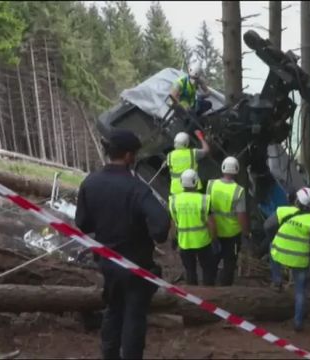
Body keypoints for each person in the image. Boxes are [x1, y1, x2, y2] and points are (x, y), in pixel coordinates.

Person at [75, 129, 170, 360]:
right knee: (134, 316)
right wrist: (155, 236)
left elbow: (82, 224)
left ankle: (109, 355)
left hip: (107, 262)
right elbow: (161, 222)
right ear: (129, 156)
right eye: (134, 154)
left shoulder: (90, 182)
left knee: (113, 310)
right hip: (136, 265)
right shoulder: (137, 188)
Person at [266, 187, 310, 332]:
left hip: (280, 254)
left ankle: (277, 281)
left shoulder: (283, 211)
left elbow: (267, 226)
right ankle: (298, 323)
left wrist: (276, 237)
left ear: (297, 200)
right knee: (300, 292)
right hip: (300, 261)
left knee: (271, 246)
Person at [169, 169, 217, 286]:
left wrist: (173, 238)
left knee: (190, 271)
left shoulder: (174, 200)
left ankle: (193, 296)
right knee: (207, 270)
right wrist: (214, 239)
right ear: (196, 182)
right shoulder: (204, 199)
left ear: (181, 182)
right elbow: (211, 223)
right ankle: (209, 295)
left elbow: (173, 222)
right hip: (203, 242)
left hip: (184, 242)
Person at [207, 156, 250, 286]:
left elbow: (207, 207)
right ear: (236, 170)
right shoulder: (238, 190)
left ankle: (209, 284)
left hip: (214, 230)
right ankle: (226, 288)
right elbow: (241, 215)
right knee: (229, 262)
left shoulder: (211, 184)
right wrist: (246, 232)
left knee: (213, 259)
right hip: (232, 234)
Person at [167, 130, 210, 195]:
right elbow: (206, 150)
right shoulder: (192, 153)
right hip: (192, 186)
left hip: (176, 190)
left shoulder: (169, 156)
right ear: (186, 143)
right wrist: (201, 137)